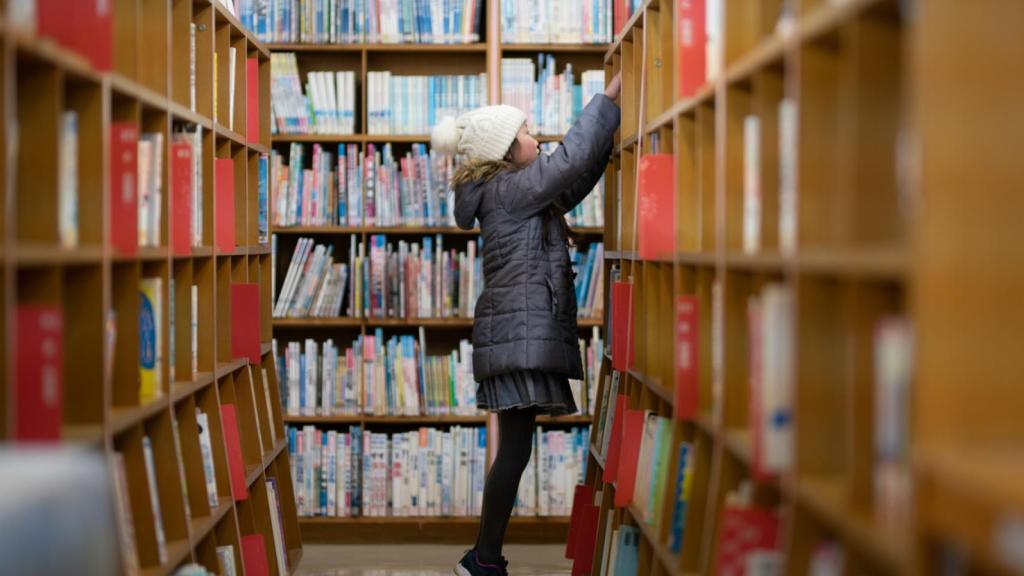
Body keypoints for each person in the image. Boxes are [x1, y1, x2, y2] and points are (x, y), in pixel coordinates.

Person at [431, 72, 622, 576]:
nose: (536, 138)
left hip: (516, 335)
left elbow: (574, 179)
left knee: (515, 447)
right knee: (514, 448)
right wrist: (606, 100)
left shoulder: (514, 190)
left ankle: (483, 557)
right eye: (527, 133)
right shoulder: (511, 190)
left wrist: (607, 137)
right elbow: (568, 163)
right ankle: (482, 560)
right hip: (519, 336)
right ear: (505, 151)